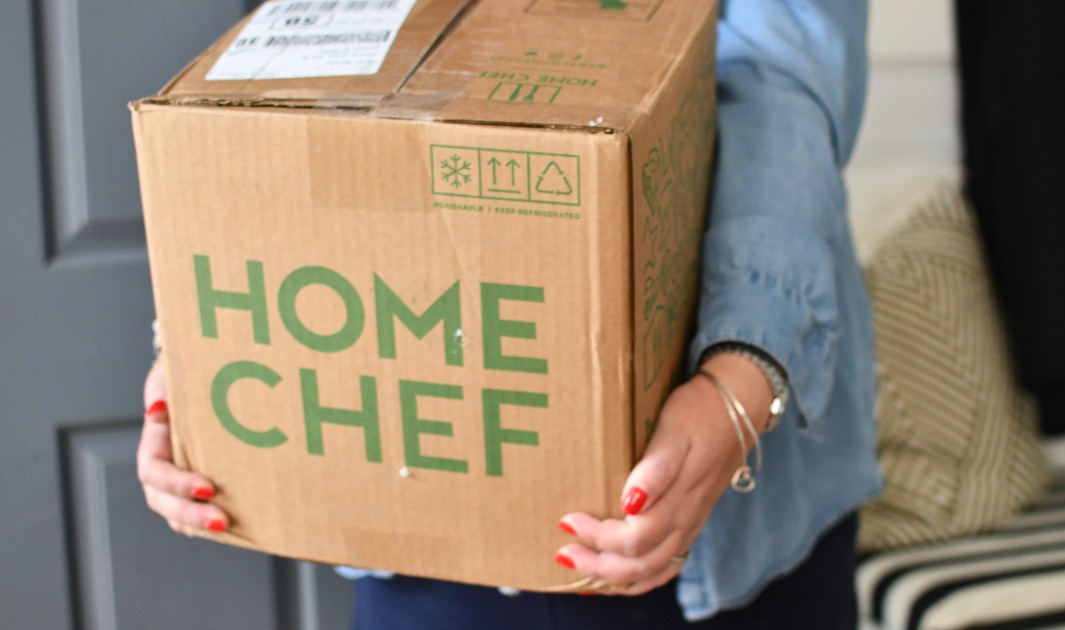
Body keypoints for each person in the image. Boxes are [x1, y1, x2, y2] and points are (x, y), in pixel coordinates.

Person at [137, 0, 882, 626]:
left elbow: (777, 79)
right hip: (421, 520)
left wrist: (742, 372)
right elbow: (285, 91)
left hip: (721, 509)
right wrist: (207, 344)